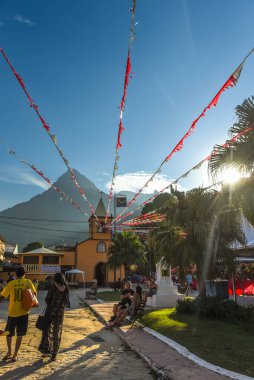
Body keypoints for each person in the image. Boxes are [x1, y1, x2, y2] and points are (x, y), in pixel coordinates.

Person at [0, 266, 37, 362]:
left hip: (12, 312)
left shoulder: (11, 283)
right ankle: (15, 355)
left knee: (9, 333)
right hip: (24, 312)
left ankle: (9, 352)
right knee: (20, 334)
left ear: (15, 274)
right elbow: (34, 294)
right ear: (24, 274)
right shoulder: (28, 282)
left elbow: (2, 296)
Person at [39, 272, 70, 361]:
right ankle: (53, 353)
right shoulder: (65, 287)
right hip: (59, 313)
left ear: (56, 279)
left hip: (51, 312)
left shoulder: (54, 287)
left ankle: (47, 351)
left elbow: (47, 299)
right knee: (55, 332)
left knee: (47, 331)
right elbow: (65, 300)